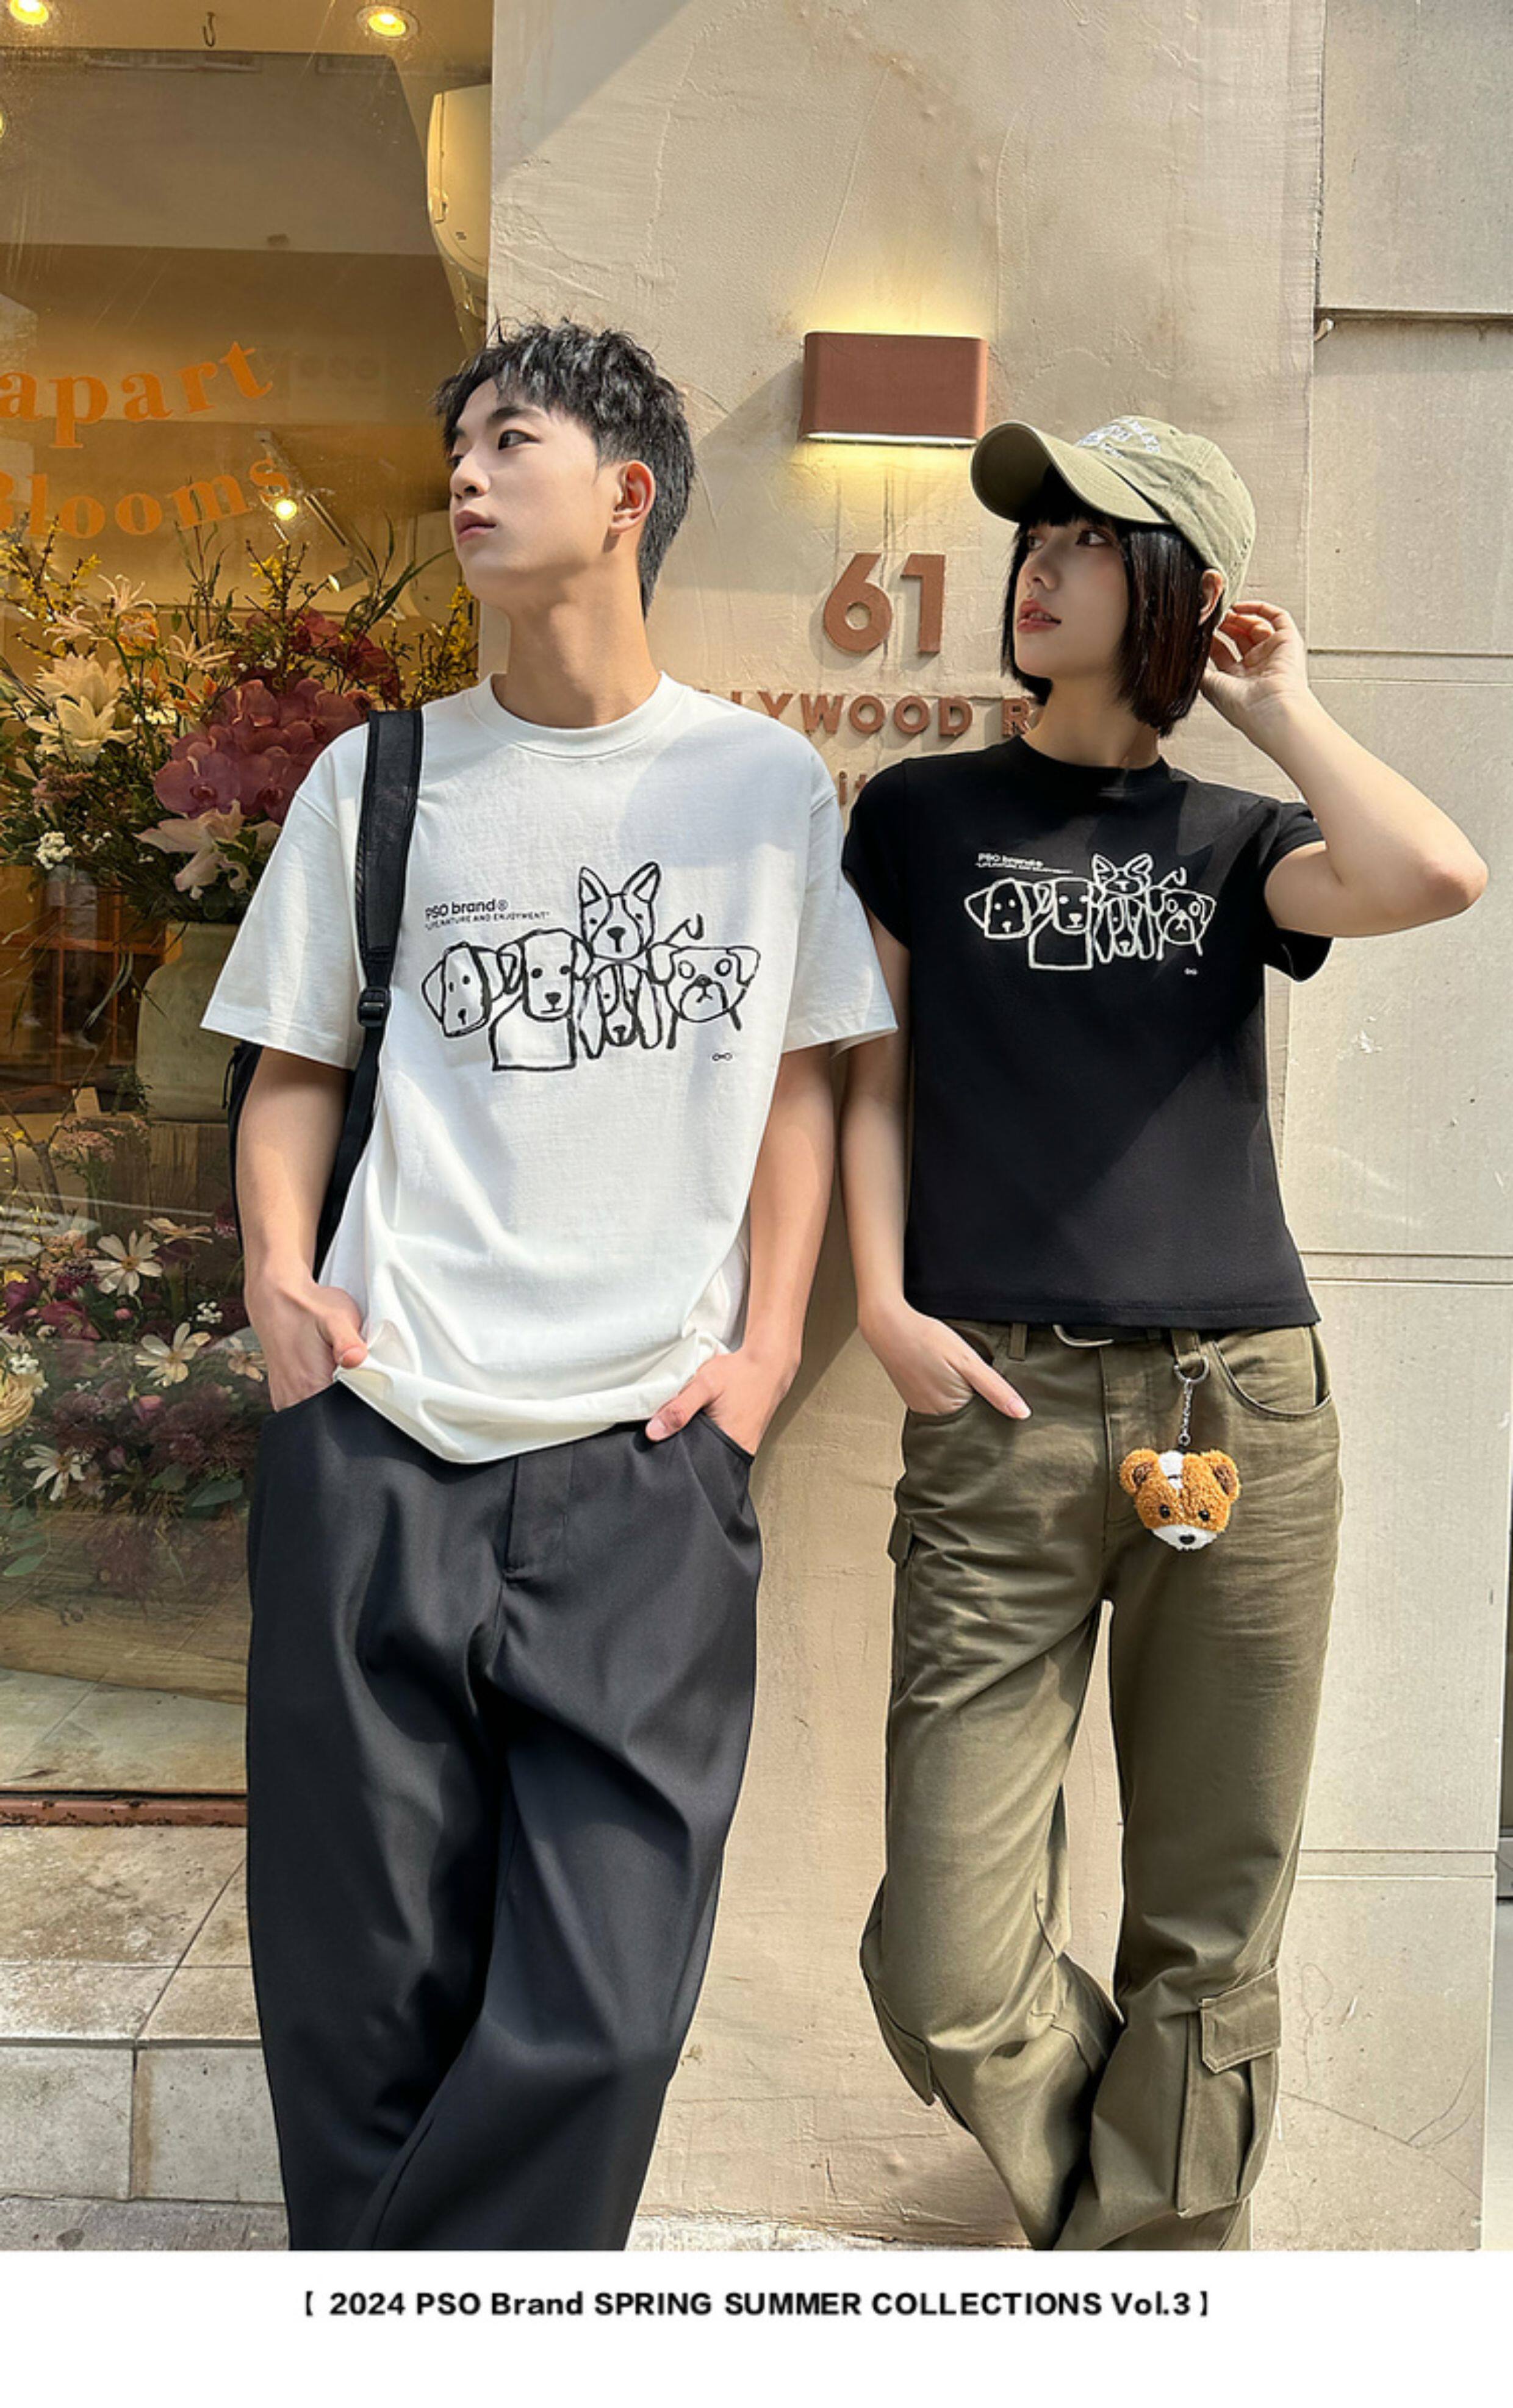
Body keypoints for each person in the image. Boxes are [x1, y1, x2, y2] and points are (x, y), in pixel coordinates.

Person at [202, 317, 894, 2251]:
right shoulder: (383, 775)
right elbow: (295, 1067)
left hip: (645, 1460)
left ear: (628, 492)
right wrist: (279, 1282)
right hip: (383, 1423)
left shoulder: (763, 786)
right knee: (360, 1990)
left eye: (513, 440)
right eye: (463, 446)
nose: (468, 475)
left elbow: (801, 1084)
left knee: (606, 2008)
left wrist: (767, 1350)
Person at [838, 412, 1487, 2251]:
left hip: (1239, 1406)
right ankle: (1135, 2225)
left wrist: (1279, 708)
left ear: (1176, 591)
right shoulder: (920, 816)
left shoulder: (1238, 839)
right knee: (947, 1961)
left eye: (1086, 542)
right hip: (998, 1403)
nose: (1036, 568)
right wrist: (882, 1299)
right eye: (1031, 539)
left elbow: (1437, 875)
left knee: (1211, 1918)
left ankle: (1146, 2293)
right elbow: (870, 1075)